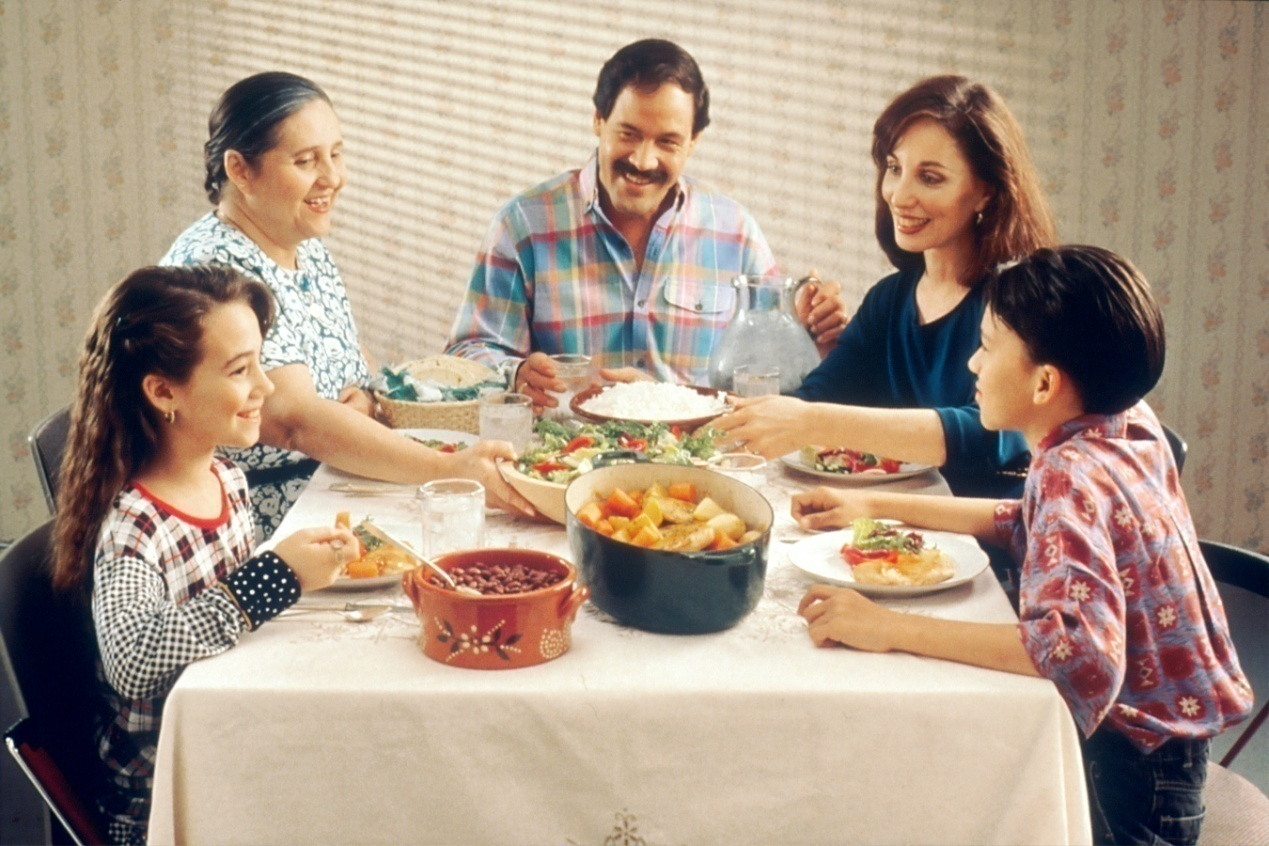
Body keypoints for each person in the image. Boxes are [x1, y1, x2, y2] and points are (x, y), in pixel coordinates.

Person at [794, 246, 1253, 845]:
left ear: (1043, 383)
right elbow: (1025, 519)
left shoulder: (1071, 473)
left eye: (986, 346)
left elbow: (1075, 655)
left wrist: (884, 625)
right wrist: (874, 505)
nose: (972, 364)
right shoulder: (1125, 422)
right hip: (1170, 750)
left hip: (1130, 771)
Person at [50, 266, 361, 844]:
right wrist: (275, 577)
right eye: (240, 370)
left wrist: (299, 568)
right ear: (164, 391)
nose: (265, 387)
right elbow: (134, 658)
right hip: (171, 797)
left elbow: (229, 616)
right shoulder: (134, 526)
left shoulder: (225, 476)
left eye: (260, 362)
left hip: (232, 736)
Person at [162, 71, 531, 538]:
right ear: (239, 170)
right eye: (305, 161)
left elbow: (350, 362)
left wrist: (370, 398)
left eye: (336, 154)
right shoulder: (216, 270)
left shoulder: (300, 242)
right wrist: (450, 467)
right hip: (257, 524)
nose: (333, 178)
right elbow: (295, 421)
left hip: (333, 487)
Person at [444, 38, 848, 410]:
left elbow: (770, 380)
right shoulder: (523, 227)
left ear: (693, 143)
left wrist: (809, 336)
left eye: (667, 142)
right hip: (563, 465)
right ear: (598, 121)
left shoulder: (735, 232)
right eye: (629, 133)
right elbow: (467, 354)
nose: (642, 160)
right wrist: (514, 375)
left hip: (699, 470)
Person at [714, 75, 1058, 498]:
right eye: (895, 168)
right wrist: (671, 409)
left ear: (986, 193)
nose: (899, 195)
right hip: (893, 533)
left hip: (992, 546)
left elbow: (991, 432)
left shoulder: (1017, 303)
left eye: (930, 178)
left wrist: (815, 421)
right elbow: (814, 399)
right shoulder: (890, 299)